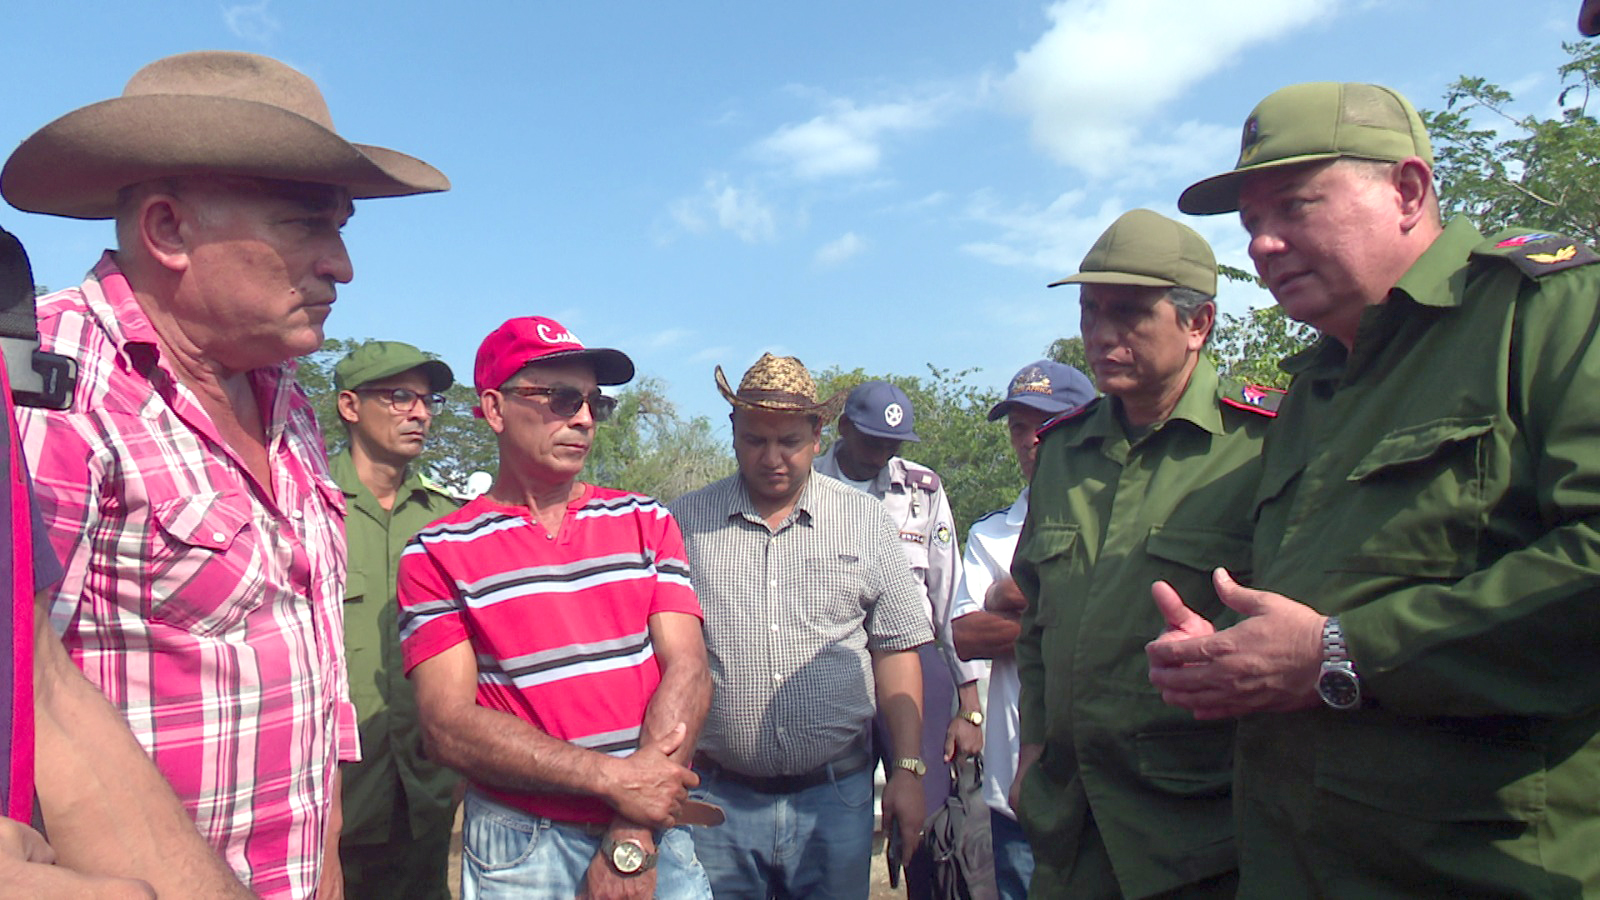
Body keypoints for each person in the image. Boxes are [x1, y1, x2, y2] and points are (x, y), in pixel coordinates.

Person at [4, 50, 449, 898]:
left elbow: (305, 677)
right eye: (306, 224)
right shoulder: (49, 389)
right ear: (169, 229)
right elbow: (21, 700)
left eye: (342, 229)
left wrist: (322, 863)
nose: (340, 265)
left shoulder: (289, 407)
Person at [1151, 81, 1600, 896]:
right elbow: (1326, 596)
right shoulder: (1312, 391)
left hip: (1476, 866)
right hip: (1299, 859)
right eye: (1251, 225)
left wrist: (1339, 652)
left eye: (1294, 206)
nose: (1262, 246)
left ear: (1408, 190)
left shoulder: (1548, 312)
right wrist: (1230, 654)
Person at [1011, 209, 1277, 899]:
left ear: (1199, 325)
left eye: (1128, 315)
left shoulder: (1262, 445)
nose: (1100, 335)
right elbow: (1038, 617)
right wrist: (1034, 741)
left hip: (1202, 826)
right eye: (1090, 311)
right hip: (1071, 823)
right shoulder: (1064, 453)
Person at [399, 316, 712, 899]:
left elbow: (689, 670)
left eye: (595, 402)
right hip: (521, 844)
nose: (585, 418)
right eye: (562, 398)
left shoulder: (647, 520)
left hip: (653, 832)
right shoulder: (436, 553)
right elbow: (446, 726)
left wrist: (633, 830)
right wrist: (618, 780)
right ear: (494, 408)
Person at [668, 353, 933, 899]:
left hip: (835, 799)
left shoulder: (863, 522)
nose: (771, 458)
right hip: (719, 799)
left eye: (788, 440)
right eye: (753, 440)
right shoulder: (685, 523)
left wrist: (906, 769)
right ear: (734, 433)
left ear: (817, 434)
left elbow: (897, 649)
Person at [813, 383, 987, 839]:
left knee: (927, 818)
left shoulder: (921, 489)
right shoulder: (805, 483)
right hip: (832, 659)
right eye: (873, 439)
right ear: (844, 428)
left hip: (914, 655)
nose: (884, 451)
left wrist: (969, 704)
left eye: (894, 442)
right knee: (832, 815)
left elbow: (948, 593)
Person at [948, 359, 1094, 900]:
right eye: (1018, 427)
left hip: (1109, 790)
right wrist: (1073, 609)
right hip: (1018, 796)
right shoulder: (992, 534)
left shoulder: (1122, 513)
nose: (1031, 439)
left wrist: (1012, 596)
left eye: (1047, 423)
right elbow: (966, 636)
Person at [330, 341, 462, 899]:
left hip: (424, 793)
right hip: (331, 797)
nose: (421, 413)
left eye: (428, 400)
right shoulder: (305, 506)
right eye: (400, 396)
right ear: (350, 406)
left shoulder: (450, 523)